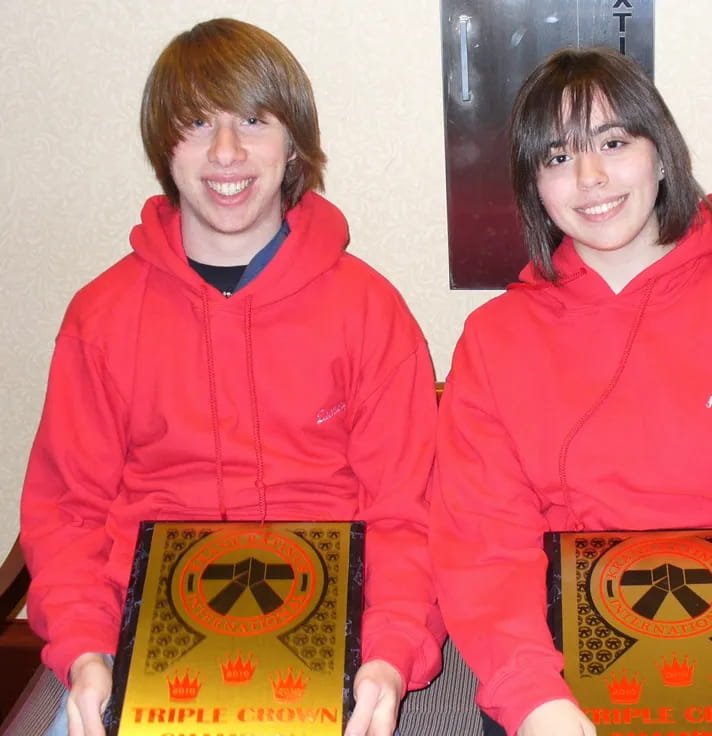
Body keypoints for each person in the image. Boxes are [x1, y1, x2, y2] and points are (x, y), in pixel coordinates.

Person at [429, 46, 712, 736]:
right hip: (559, 663)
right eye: (557, 158)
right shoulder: (495, 339)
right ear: (535, 187)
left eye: (614, 142)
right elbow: (482, 541)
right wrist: (532, 699)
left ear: (664, 155)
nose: (589, 177)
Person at [19, 18, 443, 736]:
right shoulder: (102, 315)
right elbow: (68, 513)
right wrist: (86, 650)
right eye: (195, 123)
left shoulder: (369, 310)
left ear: (292, 144)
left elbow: (408, 512)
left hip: (329, 649)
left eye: (253, 120)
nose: (225, 152)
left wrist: (390, 654)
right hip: (136, 648)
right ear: (164, 144)